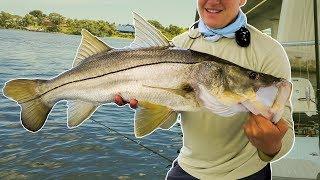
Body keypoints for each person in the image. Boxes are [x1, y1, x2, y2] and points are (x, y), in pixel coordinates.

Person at [115, 0, 294, 179]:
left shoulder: (269, 50)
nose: (214, 1)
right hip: (187, 168)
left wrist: (272, 146)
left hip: (246, 173)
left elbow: (286, 135)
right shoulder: (178, 45)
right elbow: (167, 120)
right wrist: (146, 102)